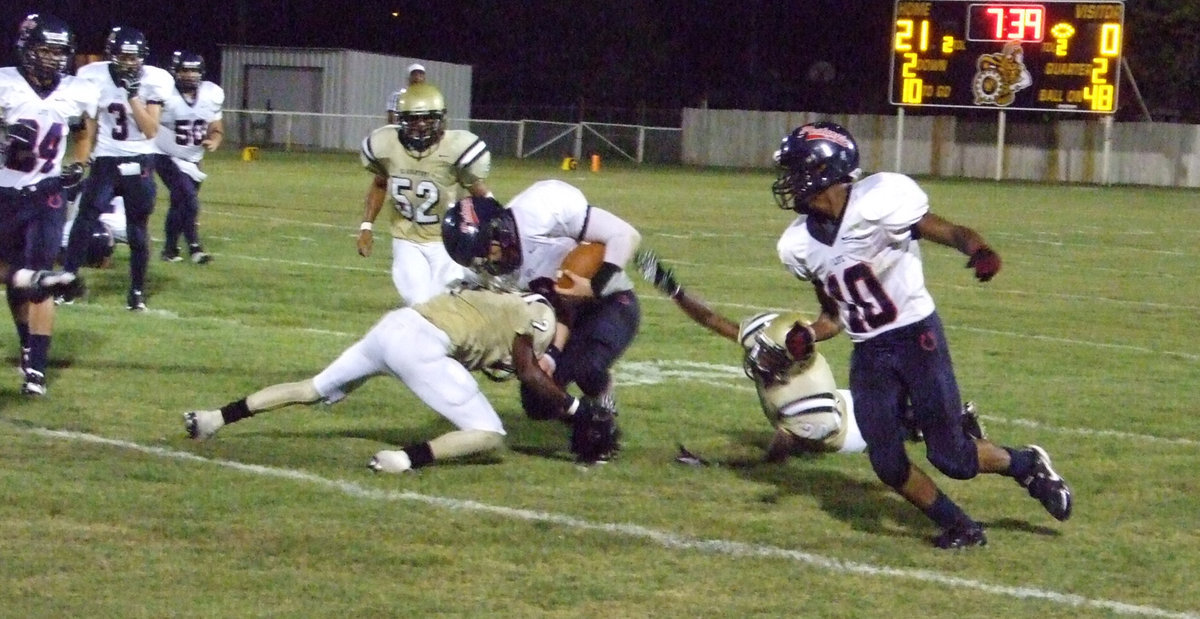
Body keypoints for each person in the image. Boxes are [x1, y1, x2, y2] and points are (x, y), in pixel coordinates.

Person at [770, 121, 1072, 548]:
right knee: (887, 461)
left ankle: (1025, 463)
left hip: (916, 339)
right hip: (869, 352)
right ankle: (961, 526)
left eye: (796, 169)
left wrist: (979, 250)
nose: (788, 181)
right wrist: (808, 336)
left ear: (825, 169)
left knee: (954, 458)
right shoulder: (798, 243)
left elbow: (951, 231)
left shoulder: (879, 201)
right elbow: (833, 316)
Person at [183, 287, 613, 471]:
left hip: (394, 326)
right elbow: (525, 370)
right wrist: (576, 409)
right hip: (422, 347)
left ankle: (213, 418)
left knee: (310, 389)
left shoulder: (496, 299)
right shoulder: (533, 318)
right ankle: (402, 460)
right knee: (489, 434)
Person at [633, 249, 984, 460]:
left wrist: (714, 462)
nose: (760, 359)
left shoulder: (804, 403)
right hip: (841, 400)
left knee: (897, 429)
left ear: (793, 365)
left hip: (843, 431)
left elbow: (776, 456)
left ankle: (957, 425)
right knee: (896, 407)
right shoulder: (773, 340)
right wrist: (672, 288)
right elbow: (712, 319)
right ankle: (946, 418)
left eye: (770, 358)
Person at [440, 180, 642, 461]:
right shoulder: (489, 272)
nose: (487, 263)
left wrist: (595, 286)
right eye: (478, 261)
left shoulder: (540, 210)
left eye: (487, 251)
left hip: (608, 303)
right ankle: (584, 418)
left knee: (589, 368)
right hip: (560, 317)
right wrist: (550, 356)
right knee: (537, 401)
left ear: (499, 229)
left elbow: (625, 235)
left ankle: (603, 408)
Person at [0, 13, 99, 394]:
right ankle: (27, 342)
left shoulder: (76, 90)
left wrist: (81, 160)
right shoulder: (7, 84)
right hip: (6, 194)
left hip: (47, 192)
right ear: (27, 49)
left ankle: (37, 368)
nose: (52, 59)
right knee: (15, 279)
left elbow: (84, 128)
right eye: (44, 49)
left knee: (41, 278)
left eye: (59, 52)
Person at [61, 26, 172, 311]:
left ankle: (136, 292)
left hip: (140, 159)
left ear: (143, 57)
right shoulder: (93, 76)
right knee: (84, 221)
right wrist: (82, 157)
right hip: (107, 159)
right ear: (112, 56)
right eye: (123, 56)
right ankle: (68, 283)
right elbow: (90, 120)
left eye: (134, 57)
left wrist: (133, 96)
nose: (129, 62)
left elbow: (150, 130)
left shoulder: (155, 80)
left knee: (137, 229)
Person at [357, 82, 492, 306]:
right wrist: (366, 226)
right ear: (401, 119)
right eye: (412, 118)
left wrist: (495, 224)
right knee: (418, 303)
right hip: (406, 239)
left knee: (444, 303)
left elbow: (479, 191)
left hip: (446, 241)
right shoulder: (387, 145)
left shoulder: (454, 148)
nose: (420, 125)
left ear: (441, 119)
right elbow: (380, 184)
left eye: (428, 117)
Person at [155, 50, 224, 264]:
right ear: (175, 72)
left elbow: (216, 126)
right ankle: (195, 248)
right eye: (185, 70)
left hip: (193, 158)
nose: (190, 75)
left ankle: (169, 249)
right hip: (165, 155)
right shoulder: (164, 95)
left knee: (179, 204)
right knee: (189, 201)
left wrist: (214, 139)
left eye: (194, 70)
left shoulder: (211, 94)